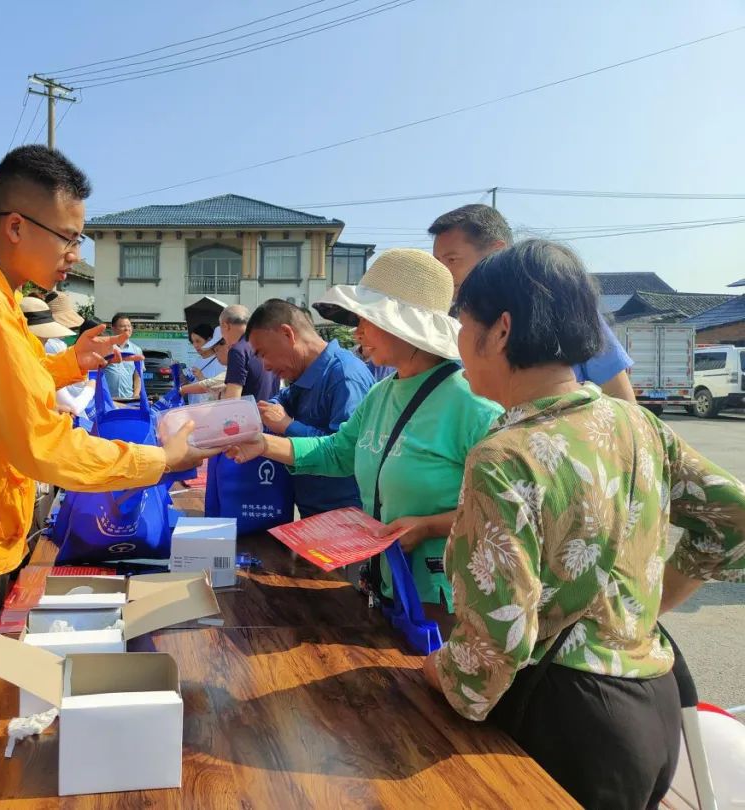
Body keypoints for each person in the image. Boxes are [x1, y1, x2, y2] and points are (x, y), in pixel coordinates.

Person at [0, 144, 213, 810]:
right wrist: (163, 460)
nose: (75, 253)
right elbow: (45, 447)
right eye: (68, 237)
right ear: (16, 225)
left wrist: (70, 365)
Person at [423, 239, 745, 809]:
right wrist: (648, 606)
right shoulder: (637, 424)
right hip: (655, 704)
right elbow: (734, 521)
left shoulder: (506, 454)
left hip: (567, 721)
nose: (458, 345)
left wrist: (439, 674)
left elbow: (494, 645)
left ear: (500, 330)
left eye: (461, 324)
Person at [227, 250, 501, 612]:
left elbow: (503, 514)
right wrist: (263, 444)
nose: (357, 332)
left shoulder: (473, 405)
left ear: (403, 324)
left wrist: (429, 526)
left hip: (443, 599)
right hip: (385, 585)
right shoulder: (380, 394)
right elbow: (338, 452)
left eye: (367, 319)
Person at [429, 203, 636, 402]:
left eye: (452, 260)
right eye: (437, 262)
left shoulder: (563, 311)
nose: (442, 273)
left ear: (496, 252)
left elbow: (622, 400)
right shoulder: (438, 324)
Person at [246, 299, 373, 517]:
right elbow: (283, 397)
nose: (265, 365)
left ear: (288, 334)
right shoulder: (304, 372)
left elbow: (344, 452)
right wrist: (273, 407)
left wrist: (287, 426)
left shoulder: (344, 376)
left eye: (263, 353)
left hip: (344, 516)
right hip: (312, 509)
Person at [219, 304, 279, 401]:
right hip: (272, 412)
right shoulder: (269, 346)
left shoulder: (238, 351)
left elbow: (232, 399)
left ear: (226, 326)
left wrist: (223, 395)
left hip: (250, 414)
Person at [102, 313, 142, 399]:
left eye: (129, 326)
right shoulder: (105, 348)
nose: (127, 329)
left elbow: (138, 375)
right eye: (123, 326)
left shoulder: (136, 350)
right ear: (113, 329)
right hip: (108, 399)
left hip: (128, 398)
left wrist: (136, 395)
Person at [186, 324, 224, 404]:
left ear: (210, 340)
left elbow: (221, 391)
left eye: (198, 341)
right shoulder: (197, 361)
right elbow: (191, 383)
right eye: (193, 342)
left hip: (210, 411)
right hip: (194, 409)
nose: (195, 345)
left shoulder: (221, 362)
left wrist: (202, 378)